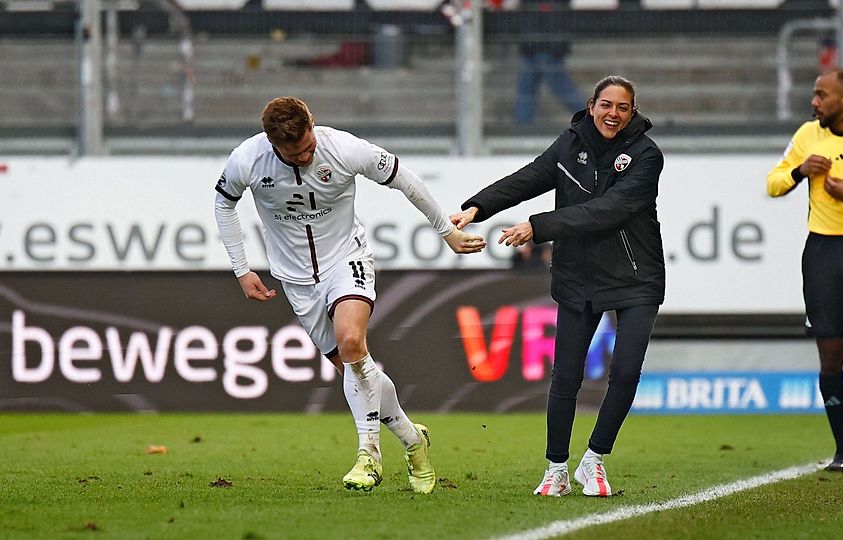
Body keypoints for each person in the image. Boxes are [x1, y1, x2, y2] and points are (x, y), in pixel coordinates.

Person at [213, 96, 486, 494]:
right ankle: (413, 439)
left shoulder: (343, 149)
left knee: (351, 340)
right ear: (273, 145)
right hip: (296, 280)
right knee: (358, 371)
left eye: (309, 146)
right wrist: (241, 269)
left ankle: (368, 455)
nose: (307, 156)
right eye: (295, 153)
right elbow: (224, 205)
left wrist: (447, 231)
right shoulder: (247, 161)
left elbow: (405, 179)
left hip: (347, 259)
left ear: (312, 125)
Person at [451, 75, 664, 497]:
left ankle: (595, 460)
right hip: (578, 275)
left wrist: (538, 226)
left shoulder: (646, 155)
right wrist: (477, 206)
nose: (613, 114)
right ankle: (557, 469)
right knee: (566, 375)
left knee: (625, 373)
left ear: (633, 112)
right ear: (591, 105)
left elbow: (609, 210)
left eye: (623, 107)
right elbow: (530, 177)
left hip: (635, 275)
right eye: (607, 105)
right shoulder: (571, 144)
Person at [766, 68, 843, 475]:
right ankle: (842, 450)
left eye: (821, 95)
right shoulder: (808, 136)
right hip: (822, 253)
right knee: (831, 357)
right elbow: (772, 182)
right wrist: (800, 171)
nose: (814, 102)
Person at [512, 0, 584, 125]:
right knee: (527, 91)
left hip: (544, 47)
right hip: (539, 46)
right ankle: (521, 128)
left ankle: (590, 119)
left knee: (560, 89)